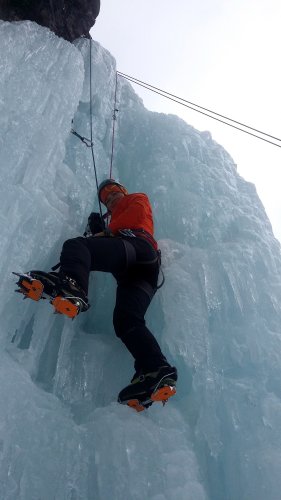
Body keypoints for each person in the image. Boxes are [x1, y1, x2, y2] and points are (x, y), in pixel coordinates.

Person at [38, 179, 177, 409]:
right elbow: (109, 245)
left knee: (77, 246)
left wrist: (103, 232)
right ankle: (155, 369)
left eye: (113, 193)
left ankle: (72, 285)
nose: (110, 198)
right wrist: (100, 231)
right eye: (106, 198)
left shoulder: (137, 199)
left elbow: (131, 221)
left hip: (140, 251)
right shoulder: (113, 222)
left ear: (124, 191)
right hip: (136, 274)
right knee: (126, 321)